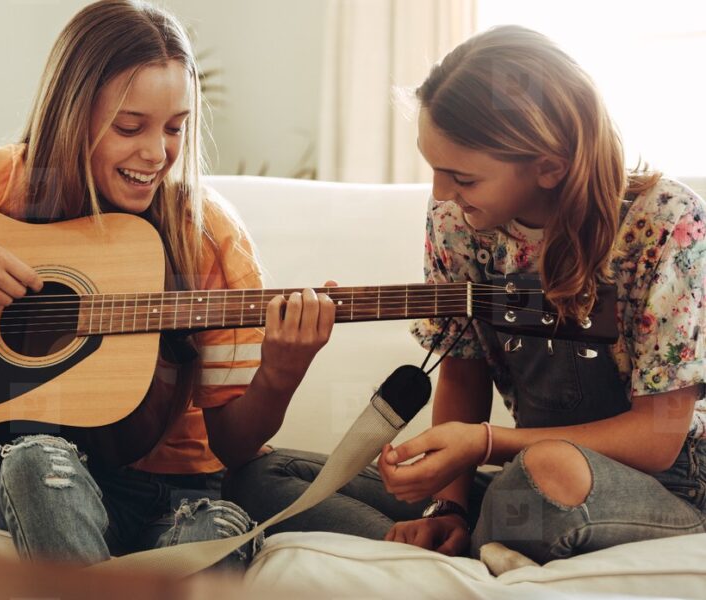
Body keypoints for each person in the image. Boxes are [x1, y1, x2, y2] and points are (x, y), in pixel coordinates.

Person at [0, 0, 335, 567]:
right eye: (129, 126)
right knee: (32, 463)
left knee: (219, 533)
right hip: (50, 472)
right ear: (73, 113)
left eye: (175, 127)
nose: (157, 153)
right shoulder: (9, 180)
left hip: (186, 497)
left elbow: (233, 446)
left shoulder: (207, 236)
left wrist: (281, 374)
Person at [223, 25, 706, 564]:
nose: (440, 193)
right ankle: (452, 548)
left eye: (462, 178)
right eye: (433, 168)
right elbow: (462, 369)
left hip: (665, 489)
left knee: (545, 471)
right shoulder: (458, 221)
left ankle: (473, 542)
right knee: (266, 475)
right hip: (519, 480)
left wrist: (484, 442)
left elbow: (657, 439)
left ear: (549, 166)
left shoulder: (666, 223)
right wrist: (446, 505)